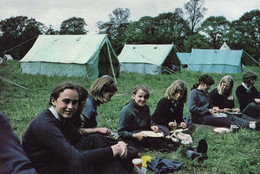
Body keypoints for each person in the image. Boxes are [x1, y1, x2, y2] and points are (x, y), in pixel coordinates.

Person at [22, 82, 141, 174]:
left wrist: (118, 143)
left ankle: (129, 167)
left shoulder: (61, 116)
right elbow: (76, 159)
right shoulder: (45, 125)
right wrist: (113, 150)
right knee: (104, 161)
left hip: (59, 158)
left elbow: (78, 137)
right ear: (53, 101)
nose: (71, 107)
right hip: (47, 168)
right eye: (66, 101)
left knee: (95, 140)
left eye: (75, 102)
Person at [188, 74, 259, 130]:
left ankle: (252, 123)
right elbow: (192, 108)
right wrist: (208, 110)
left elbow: (209, 105)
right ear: (201, 83)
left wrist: (213, 108)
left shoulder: (205, 93)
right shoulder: (194, 93)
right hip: (198, 118)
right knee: (222, 120)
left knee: (229, 117)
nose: (209, 88)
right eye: (208, 86)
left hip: (207, 114)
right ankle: (250, 125)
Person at [118, 84, 177, 151]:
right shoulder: (127, 111)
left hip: (144, 133)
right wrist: (135, 135)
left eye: (145, 97)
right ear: (133, 96)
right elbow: (121, 132)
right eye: (140, 96)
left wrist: (152, 126)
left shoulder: (146, 107)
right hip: (132, 136)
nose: (143, 99)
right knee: (156, 143)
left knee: (162, 134)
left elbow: (148, 122)